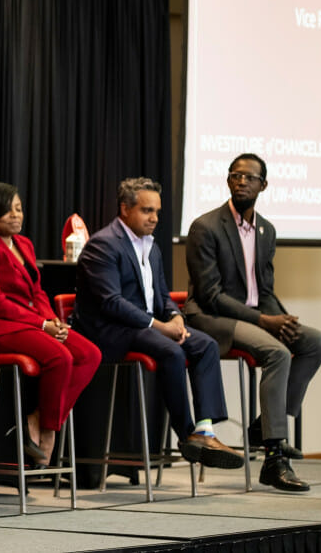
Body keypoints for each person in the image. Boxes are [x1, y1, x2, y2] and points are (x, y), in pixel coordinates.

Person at [73, 177, 243, 470]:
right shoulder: (103, 245)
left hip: (144, 327)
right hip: (110, 331)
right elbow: (111, 302)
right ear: (125, 209)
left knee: (205, 345)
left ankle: (204, 429)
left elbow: (161, 295)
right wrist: (159, 326)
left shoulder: (151, 246)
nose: (154, 219)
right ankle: (186, 433)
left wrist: (175, 317)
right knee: (171, 351)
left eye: (157, 212)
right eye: (146, 211)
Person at [184, 153, 321, 492]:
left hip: (252, 314)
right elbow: (210, 295)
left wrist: (284, 318)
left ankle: (263, 426)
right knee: (277, 352)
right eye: (235, 175)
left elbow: (264, 289)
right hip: (212, 318)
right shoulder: (205, 227)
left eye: (249, 177)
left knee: (315, 341)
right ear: (228, 180)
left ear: (263, 185)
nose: (241, 181)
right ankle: (274, 455)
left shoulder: (266, 229)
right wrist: (266, 321)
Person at [0, 182, 101, 467]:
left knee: (89, 355)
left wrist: (52, 320)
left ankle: (41, 419)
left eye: (19, 209)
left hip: (26, 323)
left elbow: (37, 291)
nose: (17, 216)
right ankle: (48, 432)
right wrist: (41, 324)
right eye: (8, 210)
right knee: (59, 356)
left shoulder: (23, 244)